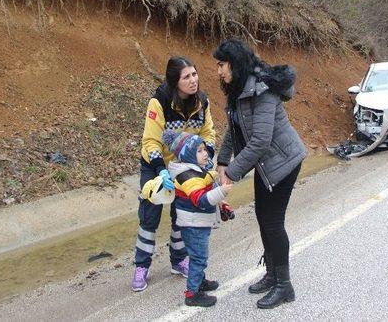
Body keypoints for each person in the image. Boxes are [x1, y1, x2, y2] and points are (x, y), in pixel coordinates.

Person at [213, 39, 307, 309]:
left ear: (235, 63)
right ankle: (272, 273)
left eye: (222, 65)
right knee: (262, 217)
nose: (219, 71)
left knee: (273, 221)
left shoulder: (262, 90)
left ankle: (284, 285)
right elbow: (234, 130)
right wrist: (222, 160)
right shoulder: (240, 89)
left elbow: (261, 140)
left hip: (284, 161)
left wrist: (232, 171)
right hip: (265, 163)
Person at [131, 56, 216, 292]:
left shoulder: (202, 102)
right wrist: (160, 171)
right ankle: (141, 266)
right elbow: (150, 141)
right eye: (186, 77)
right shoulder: (159, 102)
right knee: (149, 216)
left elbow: (209, 133)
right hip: (155, 165)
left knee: (182, 214)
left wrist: (205, 154)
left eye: (195, 74)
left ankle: (179, 260)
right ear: (174, 82)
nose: (193, 80)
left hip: (184, 167)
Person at [162, 129, 233, 307]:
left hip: (199, 222)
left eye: (204, 149)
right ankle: (192, 293)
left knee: (198, 255)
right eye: (199, 150)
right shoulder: (188, 176)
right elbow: (201, 200)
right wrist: (221, 191)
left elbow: (209, 190)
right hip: (193, 224)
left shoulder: (198, 171)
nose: (205, 153)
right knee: (198, 257)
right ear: (187, 155)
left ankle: (200, 282)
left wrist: (222, 202)